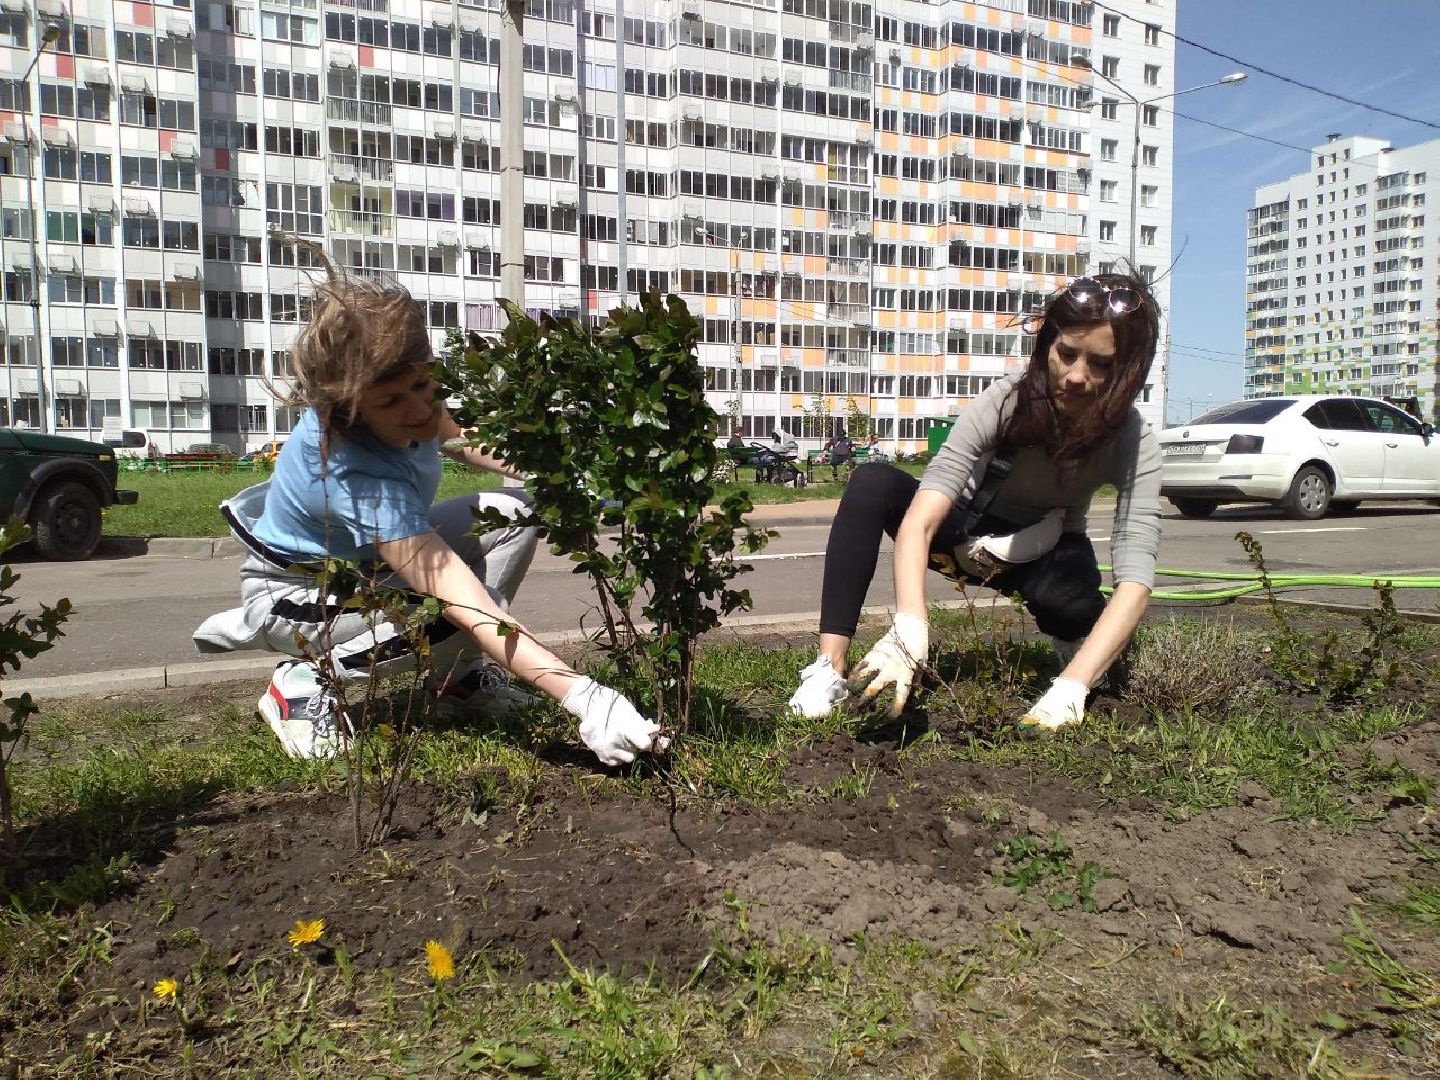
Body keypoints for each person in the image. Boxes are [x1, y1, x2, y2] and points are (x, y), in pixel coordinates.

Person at [194, 262, 664, 767]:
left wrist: (565, 478)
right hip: (301, 598)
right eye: (393, 401)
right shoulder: (358, 476)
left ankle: (458, 682)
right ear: (350, 412)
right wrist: (585, 697)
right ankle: (304, 682)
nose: (419, 409)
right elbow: (465, 601)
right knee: (457, 613)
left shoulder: (406, 394)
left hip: (363, 569)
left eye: (424, 385)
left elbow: (461, 440)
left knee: (514, 514)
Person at [788, 273, 1162, 734]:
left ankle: (1077, 654)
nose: (1076, 376)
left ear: (1127, 371)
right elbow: (923, 519)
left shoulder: (1134, 442)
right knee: (871, 483)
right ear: (1048, 344)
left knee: (1075, 606)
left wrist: (1072, 687)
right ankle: (829, 666)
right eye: (1066, 354)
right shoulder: (1005, 401)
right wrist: (910, 626)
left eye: (1101, 364)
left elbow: (1136, 579)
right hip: (962, 532)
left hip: (1042, 552)